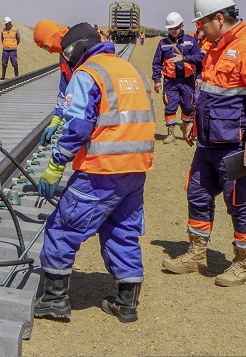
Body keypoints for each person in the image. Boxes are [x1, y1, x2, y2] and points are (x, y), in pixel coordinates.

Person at [34, 23, 155, 323]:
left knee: (62, 228)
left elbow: (78, 127)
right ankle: (127, 304)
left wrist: (55, 165)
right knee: (122, 231)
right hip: (135, 171)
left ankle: (54, 299)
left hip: (101, 171)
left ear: (75, 51)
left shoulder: (87, 74)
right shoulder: (131, 72)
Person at [162, 0, 246, 287]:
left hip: (237, 145)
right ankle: (197, 254)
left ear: (219, 18)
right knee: (197, 194)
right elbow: (209, 93)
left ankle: (243, 264)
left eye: (202, 23)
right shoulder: (214, 47)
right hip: (208, 142)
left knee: (240, 202)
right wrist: (192, 122)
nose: (198, 28)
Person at [151, 11, 204, 144]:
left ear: (182, 26)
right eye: (171, 29)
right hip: (170, 82)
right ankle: (171, 133)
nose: (174, 31)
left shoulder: (191, 41)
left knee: (188, 106)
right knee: (170, 106)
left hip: (187, 81)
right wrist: (157, 80)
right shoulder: (163, 43)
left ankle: (186, 126)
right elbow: (157, 63)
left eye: (176, 28)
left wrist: (186, 61)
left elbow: (199, 59)